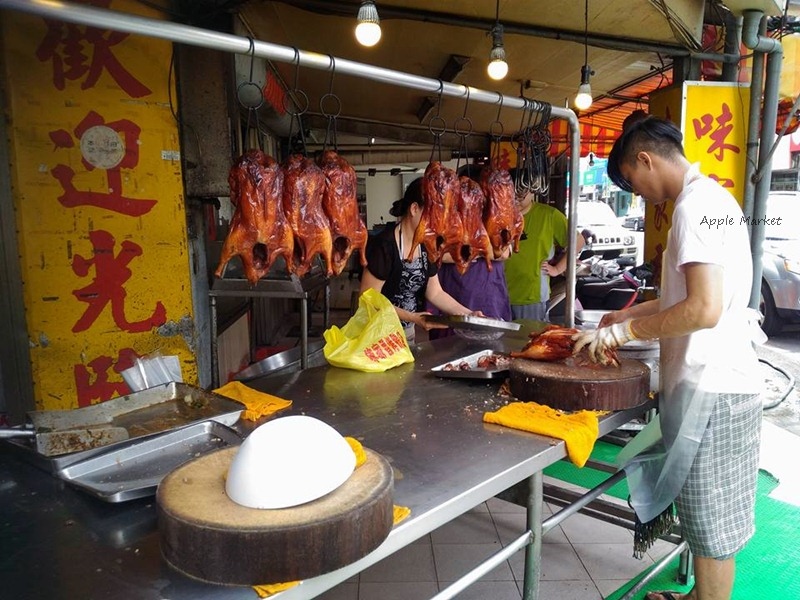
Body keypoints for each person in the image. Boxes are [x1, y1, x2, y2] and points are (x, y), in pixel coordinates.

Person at [573, 116, 763, 600]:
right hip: (722, 383)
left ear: (645, 159)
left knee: (712, 530)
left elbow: (703, 309)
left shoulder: (695, 209)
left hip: (713, 388)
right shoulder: (713, 200)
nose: (640, 194)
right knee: (708, 520)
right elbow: (691, 294)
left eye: (634, 182)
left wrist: (624, 334)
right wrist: (629, 313)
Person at [360, 177, 482, 343]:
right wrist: (413, 317)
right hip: (378, 335)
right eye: (432, 215)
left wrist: (468, 314)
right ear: (414, 209)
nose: (437, 222)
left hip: (407, 334)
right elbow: (368, 299)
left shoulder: (426, 245)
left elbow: (435, 292)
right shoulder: (385, 245)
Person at [427, 166, 512, 340]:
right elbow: (435, 252)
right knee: (452, 341)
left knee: (491, 338)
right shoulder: (448, 217)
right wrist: (481, 252)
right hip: (455, 289)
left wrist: (472, 252)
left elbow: (504, 252)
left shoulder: (494, 215)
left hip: (490, 291)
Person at [504, 168, 585, 321]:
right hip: (499, 292)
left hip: (532, 295)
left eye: (522, 194)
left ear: (532, 191)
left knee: (529, 340)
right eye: (512, 195)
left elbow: (578, 241)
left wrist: (557, 269)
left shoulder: (549, 215)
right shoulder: (500, 215)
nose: (517, 200)